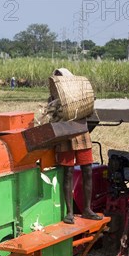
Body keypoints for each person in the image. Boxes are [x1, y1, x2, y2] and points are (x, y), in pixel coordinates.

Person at [51, 68, 102, 223]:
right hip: (65, 137)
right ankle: (69, 212)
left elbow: (91, 115)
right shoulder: (52, 98)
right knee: (67, 173)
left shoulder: (79, 93)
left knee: (87, 170)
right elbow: (52, 118)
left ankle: (87, 209)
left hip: (82, 136)